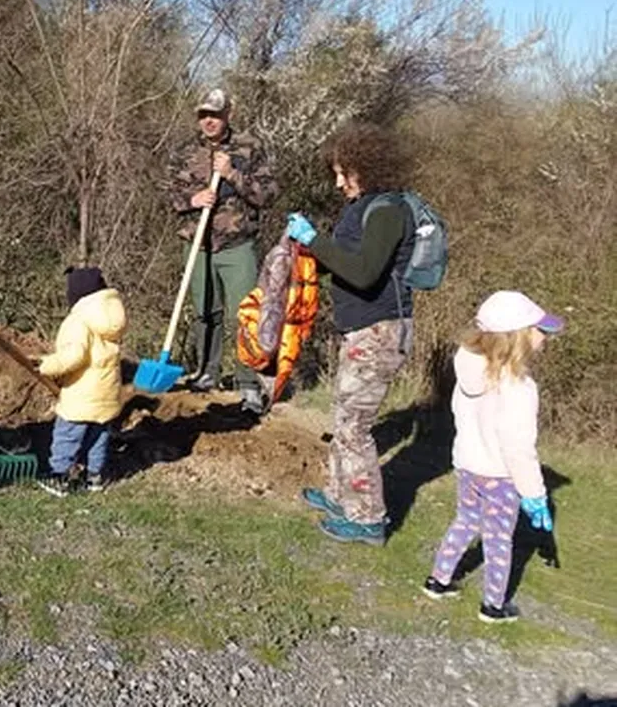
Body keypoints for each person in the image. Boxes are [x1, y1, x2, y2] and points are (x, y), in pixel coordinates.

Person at [287, 122, 417, 545]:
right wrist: (307, 251)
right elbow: (342, 259)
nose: (339, 183)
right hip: (360, 330)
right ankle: (339, 495)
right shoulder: (362, 206)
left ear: (370, 167)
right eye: (336, 174)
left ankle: (368, 519)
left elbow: (363, 273)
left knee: (354, 426)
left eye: (346, 173)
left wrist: (316, 240)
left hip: (380, 331)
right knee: (342, 416)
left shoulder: (388, 211)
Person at [423, 291, 561, 624]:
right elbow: (518, 449)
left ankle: (438, 581)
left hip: (467, 465)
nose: (546, 337)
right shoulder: (519, 388)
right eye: (540, 330)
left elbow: (462, 416)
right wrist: (535, 495)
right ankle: (493, 605)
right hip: (500, 475)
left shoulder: (469, 373)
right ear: (517, 337)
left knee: (466, 521)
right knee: (499, 539)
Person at [169, 88, 278, 414]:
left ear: (228, 113)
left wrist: (232, 174)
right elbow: (169, 194)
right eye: (204, 115)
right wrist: (192, 200)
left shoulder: (249, 147)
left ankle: (248, 384)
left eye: (215, 114)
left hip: (237, 245)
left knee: (245, 314)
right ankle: (207, 373)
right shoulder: (185, 151)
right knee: (204, 311)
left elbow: (268, 194)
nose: (209, 121)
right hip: (197, 243)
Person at [35, 267, 127, 497]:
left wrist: (46, 366)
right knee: (98, 435)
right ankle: (94, 477)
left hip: (81, 394)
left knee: (68, 434)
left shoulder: (79, 320)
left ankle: (60, 476)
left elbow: (74, 356)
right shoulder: (112, 317)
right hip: (107, 393)